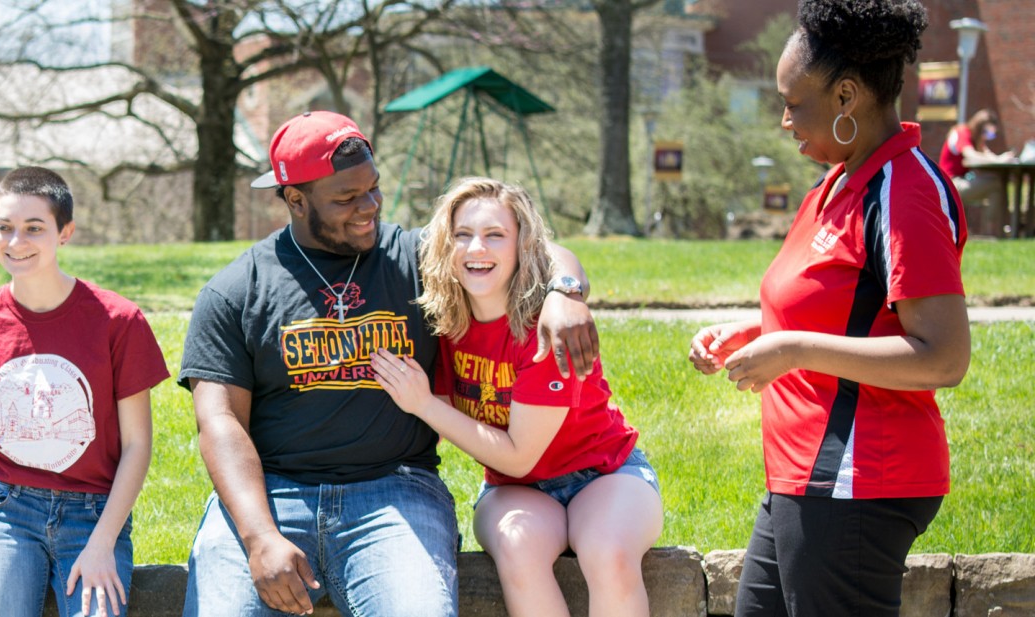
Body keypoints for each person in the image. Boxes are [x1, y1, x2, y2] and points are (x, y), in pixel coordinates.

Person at [178, 111, 599, 617]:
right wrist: (259, 534)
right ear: (295, 199)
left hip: (395, 491)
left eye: (373, 189)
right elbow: (219, 422)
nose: (369, 207)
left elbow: (530, 247)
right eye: (346, 198)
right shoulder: (234, 292)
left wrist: (565, 292)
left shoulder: (415, 257)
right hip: (272, 494)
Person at [688, 1, 970, 615]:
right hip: (805, 480)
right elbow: (844, 311)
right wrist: (756, 331)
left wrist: (793, 349)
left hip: (857, 483)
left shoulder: (905, 192)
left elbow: (943, 357)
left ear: (846, 96)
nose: (784, 120)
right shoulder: (839, 182)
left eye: (793, 102)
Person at [370, 177, 663, 617]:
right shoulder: (444, 323)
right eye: (462, 235)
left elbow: (518, 455)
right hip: (514, 490)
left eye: (494, 235)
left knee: (609, 553)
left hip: (604, 473)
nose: (475, 249)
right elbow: (510, 467)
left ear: (522, 246)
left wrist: (423, 403)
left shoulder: (546, 327)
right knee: (517, 547)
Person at [0, 166, 167, 617]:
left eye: (33, 228)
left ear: (65, 233)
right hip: (9, 512)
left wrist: (103, 544)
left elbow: (138, 445)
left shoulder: (118, 321)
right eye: (4, 227)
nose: (15, 241)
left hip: (94, 512)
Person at [938, 108, 1015, 208]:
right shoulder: (962, 133)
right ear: (980, 128)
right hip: (949, 184)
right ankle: (996, 223)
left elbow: (988, 154)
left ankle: (1000, 222)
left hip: (960, 180)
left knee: (997, 181)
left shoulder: (976, 139)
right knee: (996, 185)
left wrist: (1002, 158)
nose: (988, 137)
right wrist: (998, 160)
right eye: (988, 133)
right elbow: (971, 155)